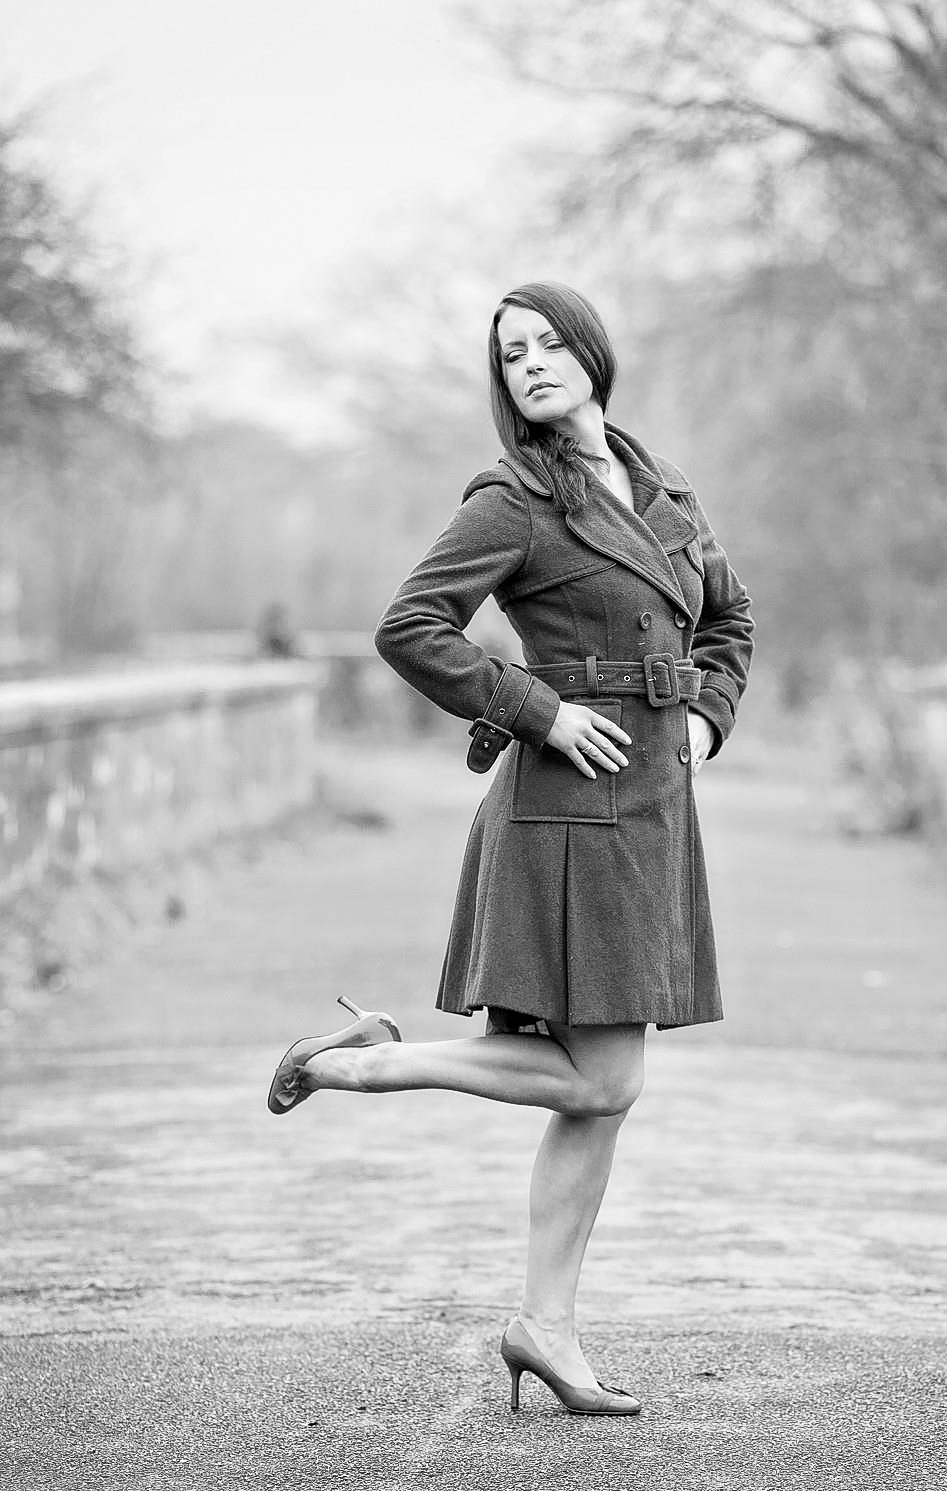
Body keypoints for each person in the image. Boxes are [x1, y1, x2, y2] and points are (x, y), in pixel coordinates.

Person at [267, 281, 754, 1417]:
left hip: (655, 803)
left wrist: (701, 715)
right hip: (565, 805)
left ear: (591, 351)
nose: (530, 363)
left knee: (598, 1092)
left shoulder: (662, 484)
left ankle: (545, 1324)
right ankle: (361, 1064)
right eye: (510, 354)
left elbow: (730, 618)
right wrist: (538, 710)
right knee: (609, 1078)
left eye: (545, 343)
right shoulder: (516, 495)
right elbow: (410, 627)